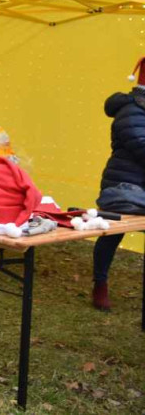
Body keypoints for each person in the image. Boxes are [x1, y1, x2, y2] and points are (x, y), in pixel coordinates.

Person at [92, 57, 145, 311]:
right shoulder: (131, 111)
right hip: (122, 188)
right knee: (111, 235)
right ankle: (100, 284)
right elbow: (141, 146)